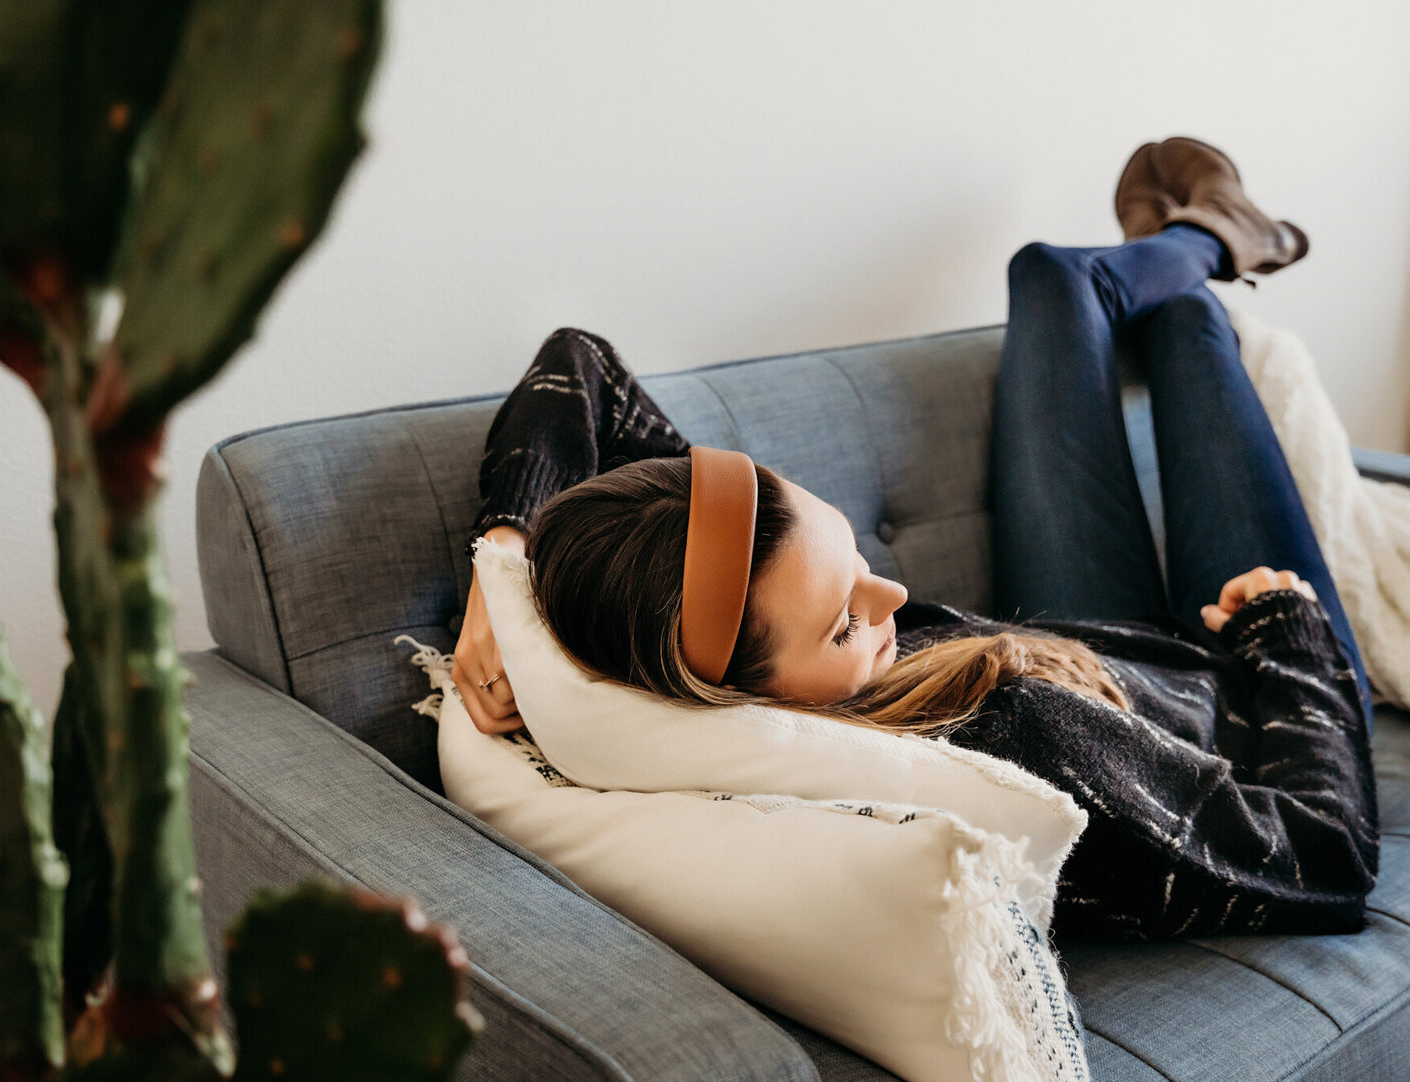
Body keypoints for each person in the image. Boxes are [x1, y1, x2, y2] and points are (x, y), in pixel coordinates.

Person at [452, 137, 1379, 945]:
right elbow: (1323, 858)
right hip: (1244, 692)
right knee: (1186, 324)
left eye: (853, 556)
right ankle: (1203, 244)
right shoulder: (1022, 751)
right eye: (842, 625)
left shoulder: (747, 592)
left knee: (1049, 275)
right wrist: (1286, 630)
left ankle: (1193, 241)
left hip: (1081, 648)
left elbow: (582, 364)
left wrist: (501, 567)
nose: (890, 594)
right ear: (746, 701)